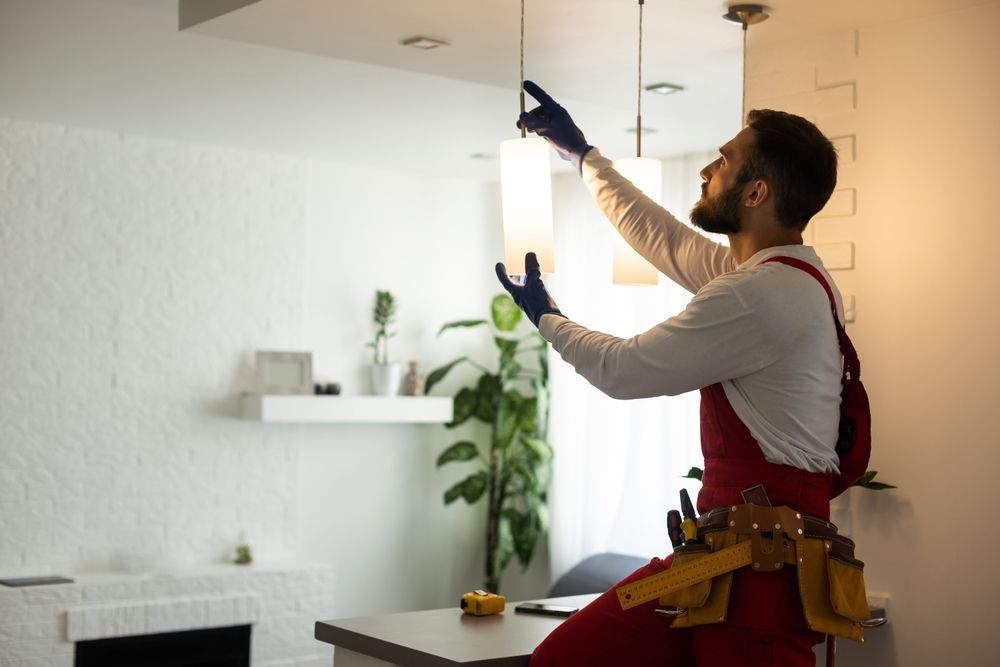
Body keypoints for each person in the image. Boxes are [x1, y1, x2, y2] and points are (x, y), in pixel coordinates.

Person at [495, 81, 869, 666]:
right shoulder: (780, 275)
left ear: (755, 192)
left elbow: (624, 370)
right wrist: (583, 157)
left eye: (724, 161)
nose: (707, 171)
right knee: (567, 655)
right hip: (720, 559)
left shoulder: (764, 293)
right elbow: (663, 238)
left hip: (761, 575)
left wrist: (547, 318)